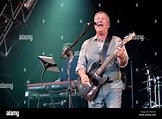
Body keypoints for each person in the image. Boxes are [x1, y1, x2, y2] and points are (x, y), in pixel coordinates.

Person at [76, 11, 129, 108]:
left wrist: (121, 56)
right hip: (94, 87)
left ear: (108, 25)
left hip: (113, 86)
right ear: (94, 25)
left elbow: (123, 64)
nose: (99, 20)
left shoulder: (117, 41)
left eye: (102, 18)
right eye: (97, 19)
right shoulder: (86, 43)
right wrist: (83, 75)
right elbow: (80, 65)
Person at [58, 42, 87, 108]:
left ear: (69, 51)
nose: (62, 52)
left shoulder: (78, 61)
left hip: (77, 89)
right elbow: (61, 77)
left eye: (64, 51)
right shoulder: (64, 63)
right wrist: (56, 81)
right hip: (66, 90)